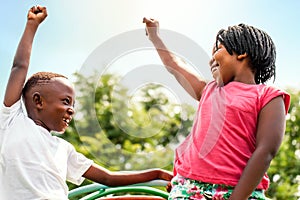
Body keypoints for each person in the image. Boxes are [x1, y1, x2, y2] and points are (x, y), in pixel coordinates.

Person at [0, 6, 173, 200]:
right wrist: (32, 25)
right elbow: (19, 66)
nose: (72, 110)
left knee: (152, 199)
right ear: (38, 101)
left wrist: (156, 173)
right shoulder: (11, 121)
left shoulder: (64, 149)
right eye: (66, 102)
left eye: (73, 103)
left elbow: (108, 177)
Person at [143, 18, 290, 200]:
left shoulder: (268, 95)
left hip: (241, 193)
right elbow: (174, 65)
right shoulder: (209, 90)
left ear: (242, 53)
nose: (211, 59)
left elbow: (266, 150)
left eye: (218, 50)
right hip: (190, 188)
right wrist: (155, 37)